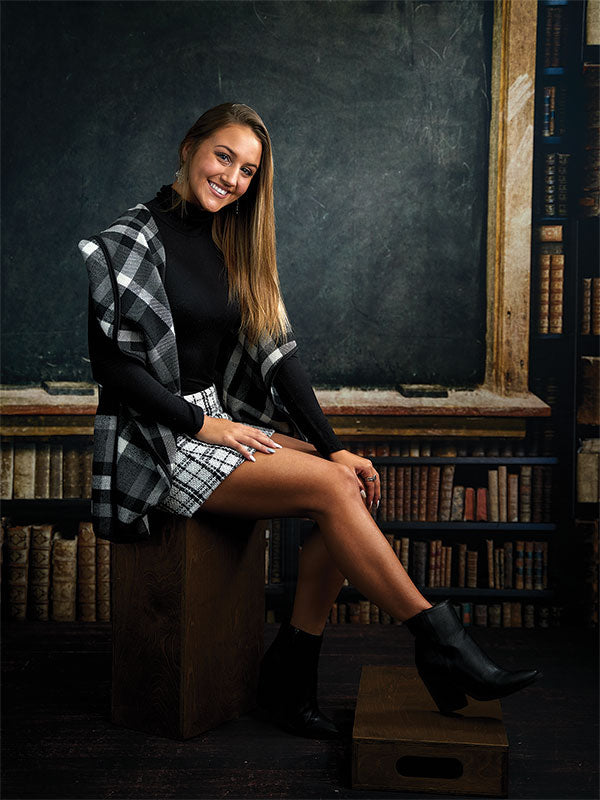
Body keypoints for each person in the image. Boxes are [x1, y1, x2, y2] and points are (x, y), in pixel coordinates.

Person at [80, 102, 538, 740]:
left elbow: (279, 356)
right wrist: (199, 424)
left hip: (215, 417)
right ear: (188, 148)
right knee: (328, 489)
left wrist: (335, 447)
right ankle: (440, 640)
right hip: (158, 439)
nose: (233, 178)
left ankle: (291, 677)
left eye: (248, 171)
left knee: (343, 480)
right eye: (223, 157)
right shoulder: (127, 242)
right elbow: (114, 368)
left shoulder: (232, 240)